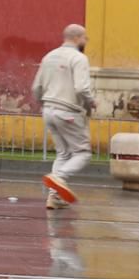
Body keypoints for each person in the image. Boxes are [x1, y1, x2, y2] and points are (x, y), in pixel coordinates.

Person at [33, 23, 96, 208]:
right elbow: (81, 88)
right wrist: (91, 102)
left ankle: (54, 197)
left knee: (63, 153)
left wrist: (44, 103)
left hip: (48, 110)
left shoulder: (49, 56)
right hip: (68, 111)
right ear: (77, 38)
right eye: (85, 38)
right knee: (82, 153)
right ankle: (58, 177)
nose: (85, 41)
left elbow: (36, 87)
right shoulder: (79, 58)